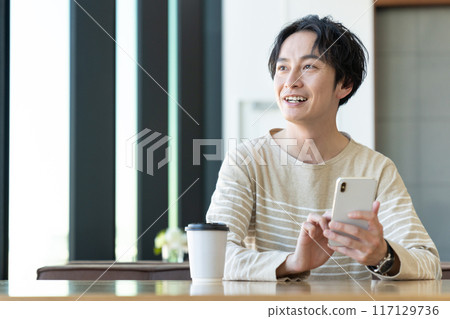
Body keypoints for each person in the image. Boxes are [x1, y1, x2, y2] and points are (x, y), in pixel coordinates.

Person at [206, 15, 441, 281]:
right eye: (283, 68)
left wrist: (381, 255)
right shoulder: (246, 161)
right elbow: (212, 258)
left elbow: (428, 263)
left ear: (345, 84)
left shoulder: (376, 169)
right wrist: (293, 262)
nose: (290, 81)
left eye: (309, 67)